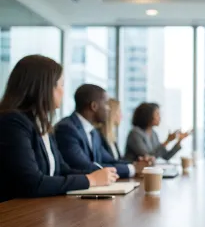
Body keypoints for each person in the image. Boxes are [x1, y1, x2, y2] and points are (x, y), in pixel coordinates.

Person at [0, 55, 118, 202]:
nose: (63, 91)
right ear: (44, 87)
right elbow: (31, 183)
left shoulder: (41, 123)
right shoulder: (13, 122)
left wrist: (98, 175)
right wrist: (90, 180)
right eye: (61, 85)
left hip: (40, 209)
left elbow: (61, 170)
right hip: (14, 215)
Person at [55, 84, 145, 178]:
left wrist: (136, 164)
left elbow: (109, 160)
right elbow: (84, 167)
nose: (109, 109)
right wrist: (132, 169)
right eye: (106, 104)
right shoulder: (67, 129)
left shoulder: (93, 132)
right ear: (94, 106)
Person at [124, 103, 191, 162]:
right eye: (157, 114)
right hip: (134, 173)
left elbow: (166, 156)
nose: (159, 117)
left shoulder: (153, 133)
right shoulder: (135, 133)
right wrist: (167, 141)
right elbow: (148, 157)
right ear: (148, 116)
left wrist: (179, 141)